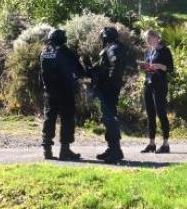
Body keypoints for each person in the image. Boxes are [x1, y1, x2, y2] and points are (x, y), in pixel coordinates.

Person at [40, 28, 84, 161]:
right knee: (67, 120)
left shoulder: (44, 52)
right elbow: (79, 71)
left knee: (49, 119)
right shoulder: (66, 52)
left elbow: (40, 73)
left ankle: (47, 149)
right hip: (65, 91)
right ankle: (65, 150)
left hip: (49, 91)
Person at [83, 27, 126, 164]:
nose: (101, 40)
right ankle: (112, 149)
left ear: (106, 37)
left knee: (110, 119)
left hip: (109, 90)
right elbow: (102, 68)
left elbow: (116, 67)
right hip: (106, 90)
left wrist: (108, 85)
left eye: (103, 37)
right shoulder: (111, 48)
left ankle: (115, 151)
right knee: (108, 118)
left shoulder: (113, 49)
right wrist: (89, 68)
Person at [140, 29, 174, 154]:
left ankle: (165, 144)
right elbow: (147, 66)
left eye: (150, 38)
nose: (148, 41)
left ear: (156, 37)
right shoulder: (148, 51)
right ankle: (151, 143)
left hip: (160, 85)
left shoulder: (164, 51)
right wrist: (145, 67)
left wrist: (159, 66)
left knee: (161, 113)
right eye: (146, 39)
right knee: (150, 114)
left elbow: (170, 68)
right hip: (148, 83)